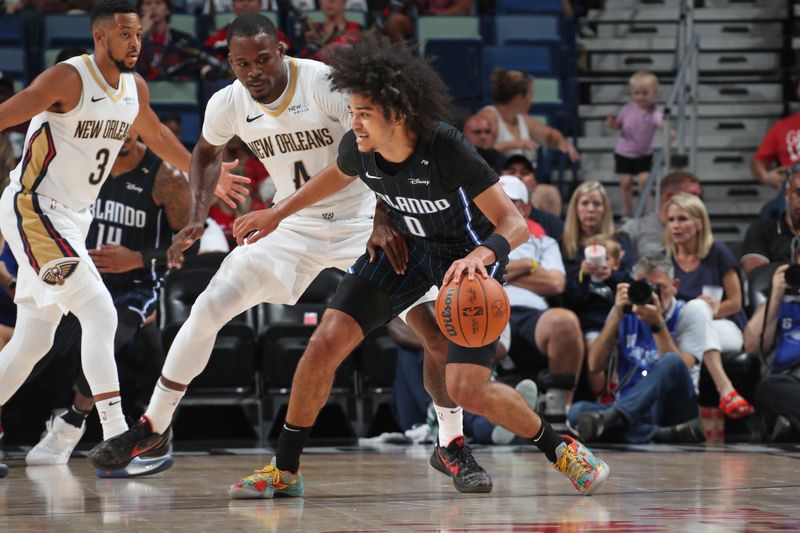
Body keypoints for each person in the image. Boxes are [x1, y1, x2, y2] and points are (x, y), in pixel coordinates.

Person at [174, 35, 603, 496]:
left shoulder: (446, 147)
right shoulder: (359, 146)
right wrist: (277, 213)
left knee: (468, 387)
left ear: (397, 115)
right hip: (405, 250)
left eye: (363, 113)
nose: (352, 121)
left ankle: (562, 449)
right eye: (352, 111)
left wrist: (481, 256)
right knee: (324, 343)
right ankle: (285, 468)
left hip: (466, 261)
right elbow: (332, 177)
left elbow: (513, 223)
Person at [88, 16, 492, 493]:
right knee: (209, 306)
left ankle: (451, 443)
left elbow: (378, 141)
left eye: (263, 59)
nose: (254, 71)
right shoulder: (228, 102)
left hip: (362, 222)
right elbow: (204, 152)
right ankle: (154, 428)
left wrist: (385, 217)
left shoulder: (322, 82)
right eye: (242, 63)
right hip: (291, 225)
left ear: (280, 49)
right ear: (231, 62)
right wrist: (197, 215)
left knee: (434, 330)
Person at [0, 0, 244, 476]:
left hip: (73, 218)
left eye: (138, 34)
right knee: (99, 310)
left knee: (32, 341)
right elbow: (6, 114)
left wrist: (205, 178)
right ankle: (116, 443)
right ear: (100, 36)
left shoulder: (134, 88)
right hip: (34, 209)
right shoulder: (69, 78)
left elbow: (157, 138)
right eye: (125, 34)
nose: (135, 42)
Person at [24, 128, 189, 473]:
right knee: (34, 352)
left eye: (132, 124)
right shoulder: (80, 166)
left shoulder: (166, 175)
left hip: (135, 286)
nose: (125, 133)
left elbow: (190, 246)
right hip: (81, 276)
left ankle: (72, 426)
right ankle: (62, 427)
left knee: (110, 341)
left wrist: (139, 259)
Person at [568, 253, 715, 444]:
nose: (651, 294)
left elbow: (682, 368)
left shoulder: (689, 312)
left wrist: (657, 325)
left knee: (671, 361)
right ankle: (658, 434)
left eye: (658, 288)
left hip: (673, 406)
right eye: (644, 287)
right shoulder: (625, 312)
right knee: (577, 412)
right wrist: (616, 316)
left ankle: (614, 420)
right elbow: (595, 364)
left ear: (675, 286)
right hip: (633, 407)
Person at [498, 175, 584, 424]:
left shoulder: (543, 243)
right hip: (482, 308)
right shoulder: (474, 238)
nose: (499, 207)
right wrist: (529, 267)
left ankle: (560, 409)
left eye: (509, 202)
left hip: (529, 315)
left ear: (524, 208)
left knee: (564, 322)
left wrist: (501, 271)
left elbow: (555, 283)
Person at [663, 192, 753, 418]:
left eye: (682, 219)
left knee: (698, 309)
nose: (675, 225)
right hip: (680, 328)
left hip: (723, 326)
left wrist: (707, 310)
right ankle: (727, 393)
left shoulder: (718, 251)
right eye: (671, 219)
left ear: (699, 223)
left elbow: (735, 302)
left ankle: (696, 401)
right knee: (695, 311)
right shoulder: (664, 258)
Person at [477, 68, 580, 167]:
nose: (532, 101)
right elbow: (480, 155)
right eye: (530, 95)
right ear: (519, 98)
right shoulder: (489, 117)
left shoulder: (523, 119)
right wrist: (513, 144)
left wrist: (561, 143)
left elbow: (549, 135)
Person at [744, 263, 800, 441]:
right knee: (768, 387)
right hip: (787, 383)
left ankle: (792, 427)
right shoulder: (780, 302)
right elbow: (751, 347)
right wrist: (775, 296)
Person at [605, 71, 664, 219]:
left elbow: (661, 121)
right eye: (637, 93)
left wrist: (669, 129)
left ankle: (646, 211)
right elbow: (620, 125)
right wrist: (613, 124)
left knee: (644, 180)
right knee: (625, 183)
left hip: (643, 153)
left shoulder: (654, 112)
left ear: (654, 93)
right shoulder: (627, 109)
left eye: (645, 93)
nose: (641, 97)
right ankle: (628, 211)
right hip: (624, 152)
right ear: (631, 93)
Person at [619, 169, 701, 259]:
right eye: (691, 196)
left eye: (699, 196)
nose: (698, 202)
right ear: (669, 196)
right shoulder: (635, 228)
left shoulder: (698, 232)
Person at [750, 80, 800, 218]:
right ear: (798, 91)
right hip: (792, 187)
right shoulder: (782, 127)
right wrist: (767, 177)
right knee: (767, 215)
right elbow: (758, 162)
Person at [741, 170, 800, 275]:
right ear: (787, 193)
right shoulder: (761, 229)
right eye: (798, 193)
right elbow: (757, 277)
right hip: (775, 291)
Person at [501, 155, 564, 240]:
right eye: (511, 172)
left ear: (535, 184)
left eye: (525, 173)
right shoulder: (485, 222)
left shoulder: (553, 225)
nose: (518, 176)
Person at [136, 0, 199, 80]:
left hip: (174, 90)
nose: (153, 7)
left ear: (167, 10)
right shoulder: (132, 40)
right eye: (148, 3)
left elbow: (193, 69)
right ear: (141, 11)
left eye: (158, 3)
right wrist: (141, 33)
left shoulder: (185, 40)